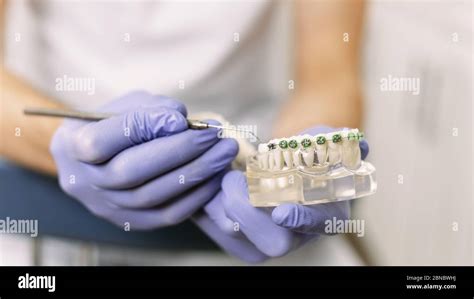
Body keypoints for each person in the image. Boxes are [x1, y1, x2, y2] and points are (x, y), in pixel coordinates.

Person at [0, 0, 366, 265]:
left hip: (240, 194)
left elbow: (329, 75)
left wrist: (306, 163)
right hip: (49, 208)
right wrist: (66, 141)